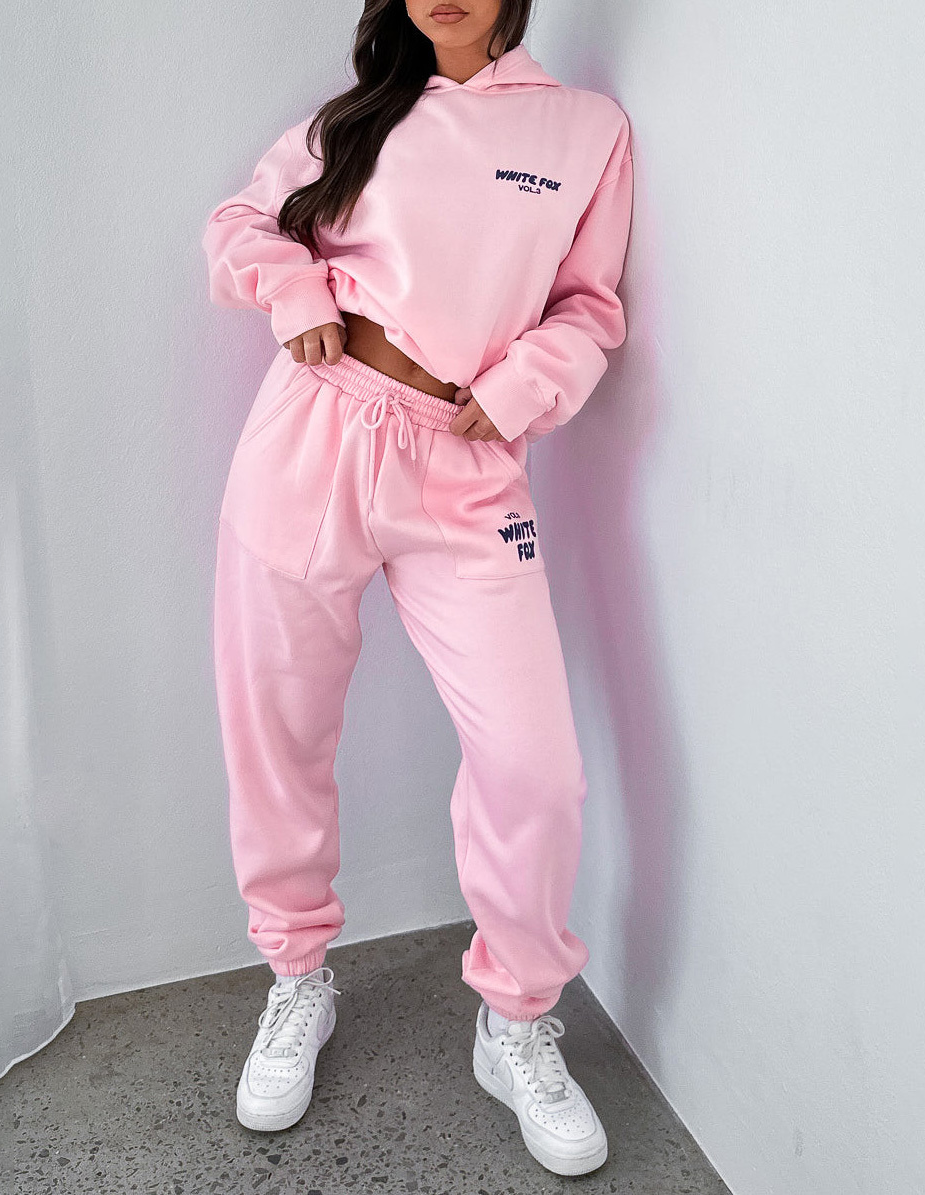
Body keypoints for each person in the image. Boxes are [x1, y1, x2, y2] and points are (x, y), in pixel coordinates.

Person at [201, 0, 633, 1177]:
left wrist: (526, 383)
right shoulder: (354, 121)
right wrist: (295, 294)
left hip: (469, 469)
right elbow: (242, 224)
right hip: (313, 438)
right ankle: (296, 977)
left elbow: (589, 307)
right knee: (278, 728)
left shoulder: (582, 129)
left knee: (534, 766)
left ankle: (516, 1020)